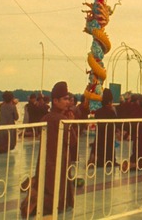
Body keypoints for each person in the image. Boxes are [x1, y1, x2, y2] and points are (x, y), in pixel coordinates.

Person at [28, 81, 79, 215]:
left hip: (45, 162)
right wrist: (72, 124)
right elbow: (73, 142)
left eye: (68, 99)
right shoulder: (62, 120)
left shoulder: (45, 118)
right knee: (57, 194)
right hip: (58, 162)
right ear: (55, 101)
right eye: (65, 99)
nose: (68, 102)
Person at [89, 89, 118, 168]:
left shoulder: (98, 112)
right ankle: (110, 161)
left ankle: (97, 161)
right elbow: (116, 123)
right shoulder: (111, 112)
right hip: (109, 135)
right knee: (109, 149)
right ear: (110, 101)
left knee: (99, 148)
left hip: (100, 135)